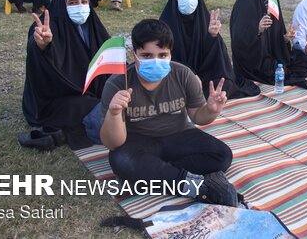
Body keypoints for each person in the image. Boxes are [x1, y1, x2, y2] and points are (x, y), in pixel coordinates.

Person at [100, 19, 239, 206]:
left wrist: (211, 110)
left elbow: (198, 116)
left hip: (179, 135)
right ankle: (197, 185)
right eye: (147, 55)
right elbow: (113, 143)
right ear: (134, 55)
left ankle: (155, 176)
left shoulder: (182, 74)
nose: (155, 61)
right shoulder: (117, 84)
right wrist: (114, 113)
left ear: (170, 54)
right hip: (139, 141)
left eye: (163, 55)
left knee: (222, 155)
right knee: (121, 161)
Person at [22, 0, 111, 149]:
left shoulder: (92, 26)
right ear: (62, 5)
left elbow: (111, 62)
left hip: (92, 93)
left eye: (84, 2)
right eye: (73, 3)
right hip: (61, 97)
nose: (80, 7)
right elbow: (39, 70)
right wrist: (44, 47)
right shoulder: (45, 29)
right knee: (108, 121)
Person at [160, 0, 260, 100]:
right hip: (178, 75)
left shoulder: (204, 20)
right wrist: (189, 74)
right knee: (173, 90)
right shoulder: (166, 24)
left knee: (224, 84)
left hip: (204, 75)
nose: (188, 0)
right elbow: (165, 58)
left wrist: (213, 37)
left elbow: (217, 58)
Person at [230, 0, 307, 89]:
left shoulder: (272, 2)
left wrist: (285, 38)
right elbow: (238, 41)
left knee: (303, 62)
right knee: (274, 72)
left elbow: (274, 38)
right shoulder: (245, 4)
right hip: (251, 57)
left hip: (270, 55)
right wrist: (257, 30)